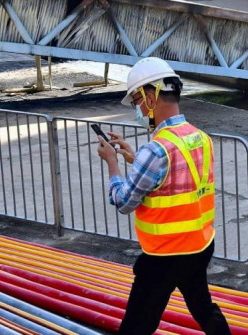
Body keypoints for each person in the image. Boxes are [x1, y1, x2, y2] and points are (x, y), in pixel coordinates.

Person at [97, 57, 231, 335]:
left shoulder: (156, 150)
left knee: (137, 325)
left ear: (151, 95)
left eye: (136, 100)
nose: (137, 107)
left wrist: (113, 163)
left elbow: (123, 202)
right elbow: (179, 180)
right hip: (199, 245)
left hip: (165, 254)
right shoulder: (200, 137)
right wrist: (135, 160)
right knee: (203, 308)